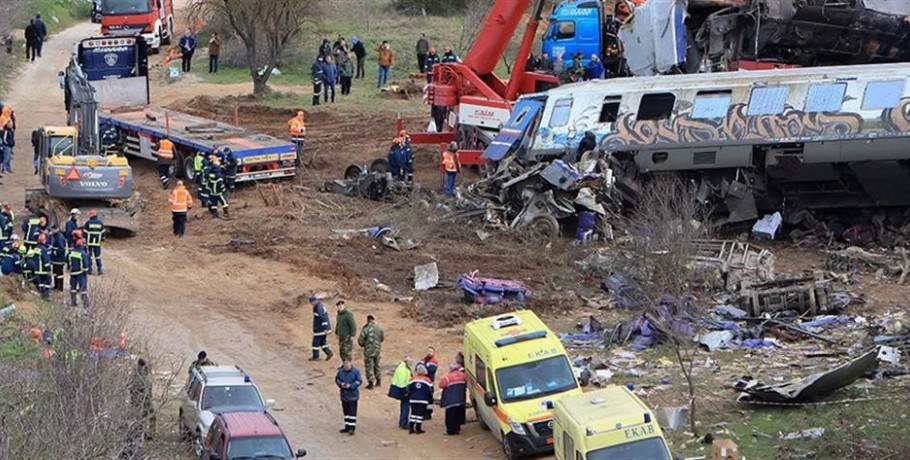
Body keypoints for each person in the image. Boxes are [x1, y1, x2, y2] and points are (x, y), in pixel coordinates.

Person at [129, 358, 156, 440]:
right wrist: (138, 397)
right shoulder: (135, 376)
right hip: (140, 401)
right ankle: (139, 435)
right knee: (140, 418)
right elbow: (133, 389)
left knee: (151, 416)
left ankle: (150, 434)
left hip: (146, 400)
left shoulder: (142, 373)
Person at [335, 359, 362, 435]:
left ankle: (352, 428)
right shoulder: (340, 372)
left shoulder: (356, 371)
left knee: (352, 412)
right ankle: (347, 427)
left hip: (353, 395)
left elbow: (359, 381)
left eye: (347, 366)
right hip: (344, 395)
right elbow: (337, 379)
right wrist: (341, 384)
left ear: (350, 364)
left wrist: (351, 386)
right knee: (346, 412)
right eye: (345, 366)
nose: (346, 367)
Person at [438, 363, 467, 435]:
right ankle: (457, 429)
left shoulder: (448, 377)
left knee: (450, 417)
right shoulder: (463, 376)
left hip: (451, 401)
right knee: (458, 416)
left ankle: (450, 431)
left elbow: (441, 385)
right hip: (461, 400)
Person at [358, 314, 385, 389]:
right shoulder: (379, 328)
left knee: (369, 366)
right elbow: (382, 338)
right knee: (377, 365)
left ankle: (371, 383)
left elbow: (360, 341)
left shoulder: (366, 329)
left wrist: (365, 345)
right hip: (377, 350)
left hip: (368, 351)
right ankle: (378, 380)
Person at [388, 356, 413, 429]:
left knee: (404, 406)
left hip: (402, 389)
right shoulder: (402, 369)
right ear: (406, 361)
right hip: (402, 390)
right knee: (405, 407)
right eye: (410, 362)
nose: (411, 363)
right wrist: (406, 391)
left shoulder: (404, 367)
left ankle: (403, 422)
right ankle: (403, 423)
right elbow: (402, 382)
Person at [407, 364, 433, 434]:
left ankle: (411, 428)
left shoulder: (412, 379)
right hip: (423, 400)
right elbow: (430, 392)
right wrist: (430, 400)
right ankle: (418, 428)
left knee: (413, 413)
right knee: (420, 414)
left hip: (413, 399)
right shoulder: (428, 380)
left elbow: (408, 389)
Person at [310, 296, 334, 361]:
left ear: (314, 301)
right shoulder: (320, 306)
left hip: (320, 329)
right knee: (322, 342)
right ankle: (328, 352)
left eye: (311, 302)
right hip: (322, 329)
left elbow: (323, 318)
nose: (311, 304)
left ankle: (315, 356)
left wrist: (325, 328)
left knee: (315, 343)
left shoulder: (318, 308)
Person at [66, 239, 89, 307]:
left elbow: (66, 259)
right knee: (83, 288)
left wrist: (70, 267)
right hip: (81, 274)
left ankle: (73, 302)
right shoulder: (83, 253)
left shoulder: (71, 252)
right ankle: (85, 303)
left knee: (73, 288)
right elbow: (85, 264)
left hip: (73, 273)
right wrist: (85, 272)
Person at [28, 233, 51, 299]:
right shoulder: (44, 249)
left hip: (37, 269)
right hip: (43, 270)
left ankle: (42, 294)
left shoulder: (35, 248)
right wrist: (48, 269)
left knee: (41, 282)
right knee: (47, 282)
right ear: (44, 240)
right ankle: (46, 296)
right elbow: (46, 260)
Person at [83, 209, 105, 275]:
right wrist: (102, 239)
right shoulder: (100, 223)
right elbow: (103, 233)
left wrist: (84, 240)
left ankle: (89, 270)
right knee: (97, 256)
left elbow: (85, 233)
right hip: (97, 243)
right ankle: (99, 270)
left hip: (89, 243)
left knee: (89, 256)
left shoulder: (88, 223)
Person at [48, 225, 66, 291]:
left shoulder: (59, 237)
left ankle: (60, 287)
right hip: (54, 259)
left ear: (57, 229)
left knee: (59, 273)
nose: (52, 231)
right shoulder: (54, 236)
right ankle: (56, 286)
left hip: (59, 259)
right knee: (55, 273)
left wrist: (53, 252)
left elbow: (61, 248)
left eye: (53, 230)